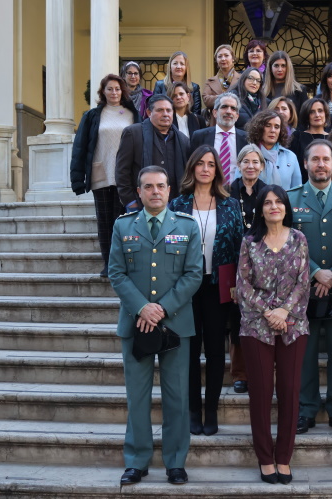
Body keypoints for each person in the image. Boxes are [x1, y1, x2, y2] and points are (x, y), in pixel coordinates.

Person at [109, 165, 202, 486]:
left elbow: (194, 274)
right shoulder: (123, 226)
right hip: (136, 324)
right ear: (138, 192)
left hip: (176, 325)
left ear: (169, 189)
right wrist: (142, 308)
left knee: (177, 397)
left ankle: (176, 461)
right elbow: (116, 273)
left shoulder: (187, 226)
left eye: (161, 186)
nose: (155, 192)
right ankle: (136, 460)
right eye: (148, 187)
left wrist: (161, 308)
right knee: (138, 396)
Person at [236, 184, 310, 485]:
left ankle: (284, 457)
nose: (274, 207)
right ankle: (265, 458)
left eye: (279, 202)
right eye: (267, 202)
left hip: (293, 326)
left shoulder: (299, 239)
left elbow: (304, 282)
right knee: (262, 393)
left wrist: (285, 312)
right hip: (256, 326)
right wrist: (269, 312)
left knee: (290, 392)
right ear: (260, 208)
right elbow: (243, 284)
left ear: (286, 206)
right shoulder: (250, 241)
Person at [168, 145, 244, 436]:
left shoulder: (229, 204)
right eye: (199, 164)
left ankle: (210, 410)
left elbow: (239, 247)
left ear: (217, 170)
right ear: (192, 168)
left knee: (214, 352)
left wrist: (237, 283)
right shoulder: (177, 204)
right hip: (185, 289)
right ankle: (192, 411)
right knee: (188, 352)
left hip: (217, 288)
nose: (205, 169)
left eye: (210, 164)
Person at [287, 139, 332, 436]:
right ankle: (307, 408)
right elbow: (287, 244)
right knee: (306, 352)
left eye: (326, 159)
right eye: (315, 159)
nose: (321, 164)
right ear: (305, 163)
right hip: (302, 290)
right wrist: (316, 272)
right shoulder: (290, 199)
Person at [71, 74, 140, 277]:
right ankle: (108, 264)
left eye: (117, 89)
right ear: (103, 92)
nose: (114, 92)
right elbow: (80, 147)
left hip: (125, 177)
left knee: (123, 222)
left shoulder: (131, 114)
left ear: (123, 91)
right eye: (109, 89)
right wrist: (77, 178)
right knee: (104, 221)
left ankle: (123, 263)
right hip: (101, 174)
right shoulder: (92, 116)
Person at [227, 144, 267, 393]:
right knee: (237, 320)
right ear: (238, 164)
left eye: (255, 162)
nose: (251, 166)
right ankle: (240, 373)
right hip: (234, 261)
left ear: (262, 166)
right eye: (246, 161)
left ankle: (262, 369)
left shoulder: (270, 192)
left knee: (262, 317)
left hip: (265, 264)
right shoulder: (227, 192)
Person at [115, 94, 190, 211]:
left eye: (168, 110)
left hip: (175, 206)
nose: (165, 114)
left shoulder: (183, 140)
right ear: (149, 112)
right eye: (160, 110)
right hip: (140, 205)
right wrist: (130, 202)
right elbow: (122, 171)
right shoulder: (133, 133)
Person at [190, 93, 248, 185]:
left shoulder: (246, 139)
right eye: (224, 107)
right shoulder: (199, 136)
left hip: (237, 192)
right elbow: (192, 167)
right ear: (215, 113)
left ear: (237, 116)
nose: (229, 111)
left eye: (233, 108)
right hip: (208, 191)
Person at [242, 109, 301, 190]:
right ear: (259, 128)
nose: (272, 130)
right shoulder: (247, 154)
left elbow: (297, 191)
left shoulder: (290, 156)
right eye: (268, 125)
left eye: (276, 127)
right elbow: (239, 187)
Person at [289, 98, 330, 181]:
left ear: (325, 114)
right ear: (307, 116)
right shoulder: (297, 137)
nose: (317, 115)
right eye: (312, 112)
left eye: (320, 111)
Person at [153, 51, 202, 116]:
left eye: (182, 64)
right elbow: (155, 108)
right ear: (170, 67)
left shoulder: (194, 87)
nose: (179, 67)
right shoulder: (160, 85)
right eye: (175, 63)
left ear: (186, 67)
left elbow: (196, 113)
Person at [203, 44, 241, 126]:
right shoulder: (210, 81)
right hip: (216, 122)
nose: (223, 59)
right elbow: (206, 100)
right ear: (216, 60)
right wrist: (226, 97)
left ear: (233, 58)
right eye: (220, 56)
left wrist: (217, 97)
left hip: (237, 122)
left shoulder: (242, 79)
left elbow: (243, 99)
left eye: (226, 55)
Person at [263, 51, 309, 115]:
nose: (280, 69)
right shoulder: (263, 91)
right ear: (270, 68)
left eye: (283, 66)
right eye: (276, 66)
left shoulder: (299, 90)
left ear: (288, 67)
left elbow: (305, 117)